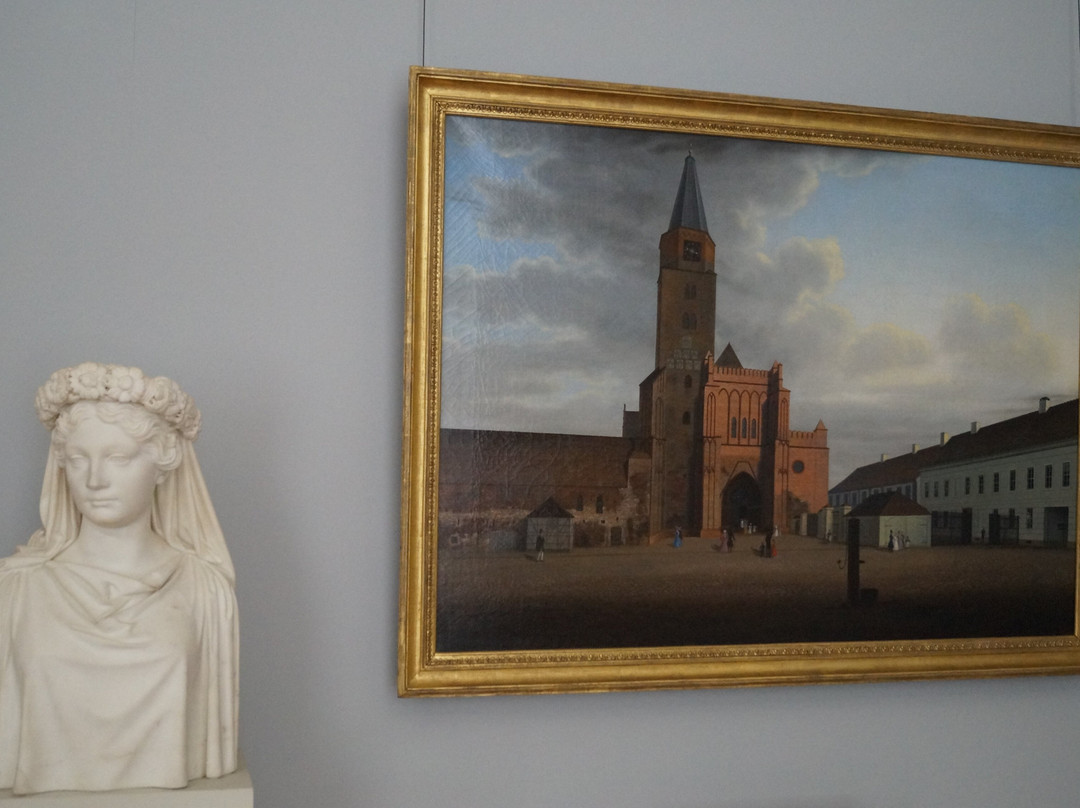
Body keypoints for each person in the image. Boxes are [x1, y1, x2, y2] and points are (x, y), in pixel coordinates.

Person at [0, 363, 238, 795]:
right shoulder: (16, 590)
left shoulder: (205, 590)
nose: (94, 480)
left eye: (118, 458)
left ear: (162, 465)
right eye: (78, 459)